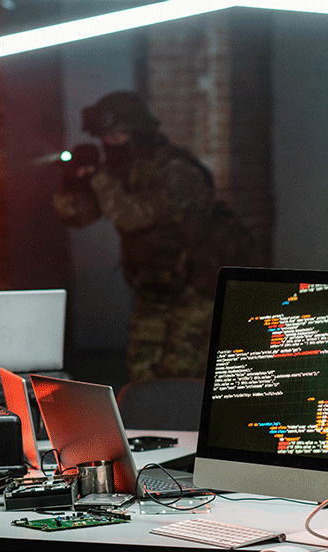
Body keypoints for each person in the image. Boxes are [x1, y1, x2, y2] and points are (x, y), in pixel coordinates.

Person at [52, 91, 254, 382]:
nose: (110, 146)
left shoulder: (177, 170)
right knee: (141, 374)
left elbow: (135, 216)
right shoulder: (123, 171)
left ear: (139, 133)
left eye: (118, 137)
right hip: (155, 286)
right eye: (105, 139)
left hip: (197, 286)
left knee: (181, 376)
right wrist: (72, 182)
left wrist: (99, 178)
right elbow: (78, 216)